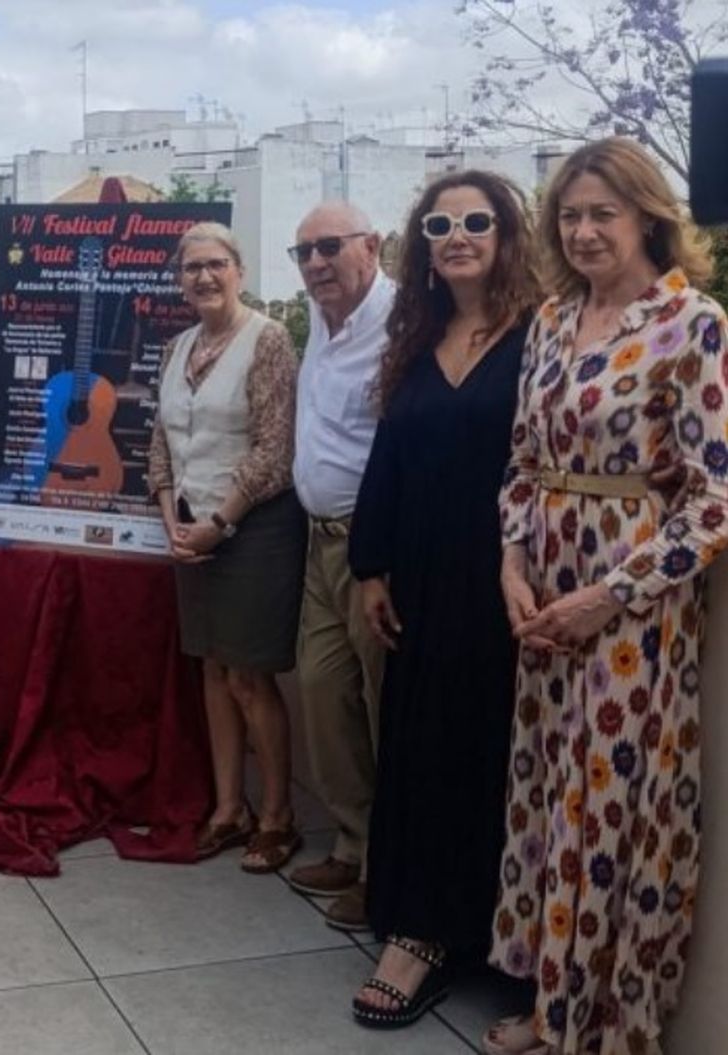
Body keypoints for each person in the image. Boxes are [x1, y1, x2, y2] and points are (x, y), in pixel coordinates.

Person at [484, 137, 728, 1055]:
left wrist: (608, 594)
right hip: (542, 590)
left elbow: (715, 498)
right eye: (570, 216)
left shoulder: (693, 321)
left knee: (613, 811)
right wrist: (512, 565)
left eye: (603, 215)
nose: (583, 232)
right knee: (551, 798)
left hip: (629, 610)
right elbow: (521, 462)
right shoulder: (551, 319)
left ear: (648, 217)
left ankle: (603, 1023)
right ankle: (554, 1007)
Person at [344, 171, 539, 1028]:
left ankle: (506, 939)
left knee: (503, 760)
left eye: (476, 221)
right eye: (438, 224)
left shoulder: (543, 335)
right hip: (422, 579)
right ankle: (420, 933)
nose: (456, 235)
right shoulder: (416, 337)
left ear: (507, 234)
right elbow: (388, 457)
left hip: (510, 580)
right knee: (423, 750)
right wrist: (371, 566)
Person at [147, 223, 305, 874]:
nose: (204, 278)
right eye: (191, 268)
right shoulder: (177, 345)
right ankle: (226, 807)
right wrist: (170, 517)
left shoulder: (267, 340)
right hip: (190, 527)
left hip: (255, 528)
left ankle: (277, 816)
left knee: (248, 675)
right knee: (211, 668)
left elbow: (275, 448)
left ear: (239, 269)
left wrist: (221, 521)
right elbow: (161, 439)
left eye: (216, 265)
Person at [284, 202, 394, 931]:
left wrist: (380, 553)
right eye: (303, 253)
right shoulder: (320, 323)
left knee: (387, 708)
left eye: (330, 247)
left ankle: (390, 870)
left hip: (374, 547)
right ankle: (353, 844)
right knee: (324, 695)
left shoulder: (403, 323)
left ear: (371, 246)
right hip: (317, 541)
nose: (316, 263)